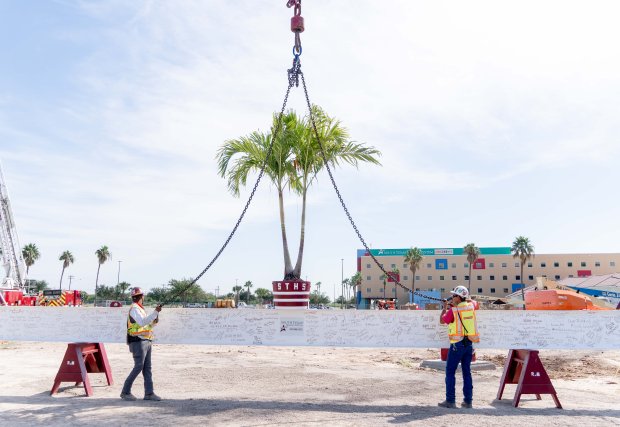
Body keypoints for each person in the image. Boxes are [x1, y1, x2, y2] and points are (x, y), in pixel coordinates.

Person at [438, 285, 480, 409]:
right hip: (469, 344)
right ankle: (468, 401)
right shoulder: (471, 306)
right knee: (467, 373)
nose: (452, 297)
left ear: (458, 297)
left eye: (454, 295)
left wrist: (445, 306)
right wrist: (458, 301)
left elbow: (442, 320)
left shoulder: (454, 311)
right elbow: (474, 302)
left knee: (450, 372)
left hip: (457, 345)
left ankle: (450, 401)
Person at [120, 287, 162, 401]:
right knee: (139, 366)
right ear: (141, 297)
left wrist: (154, 319)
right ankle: (125, 391)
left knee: (147, 368)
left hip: (145, 340)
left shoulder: (139, 309)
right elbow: (143, 322)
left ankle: (149, 393)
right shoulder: (134, 309)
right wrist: (155, 312)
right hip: (138, 341)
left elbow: (145, 324)